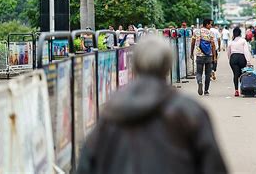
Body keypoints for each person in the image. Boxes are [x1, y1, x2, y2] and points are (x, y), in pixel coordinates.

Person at [77, 36, 228, 174]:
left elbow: (87, 164)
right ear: (168, 66)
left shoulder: (111, 112)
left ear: (135, 66)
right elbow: (213, 165)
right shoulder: (190, 111)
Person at [191, 19, 216, 96]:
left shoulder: (196, 32)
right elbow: (213, 45)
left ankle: (200, 82)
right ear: (207, 24)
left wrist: (191, 53)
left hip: (199, 55)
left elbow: (192, 43)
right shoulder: (211, 33)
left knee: (199, 72)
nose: (211, 26)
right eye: (210, 24)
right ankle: (206, 91)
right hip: (208, 55)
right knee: (208, 74)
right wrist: (214, 56)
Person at [227, 27, 252, 97]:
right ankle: (243, 88)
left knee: (235, 74)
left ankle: (236, 90)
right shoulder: (243, 41)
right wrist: (248, 61)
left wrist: (230, 59)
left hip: (233, 58)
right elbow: (246, 51)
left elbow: (228, 52)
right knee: (242, 74)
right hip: (241, 58)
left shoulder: (231, 42)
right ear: (240, 33)